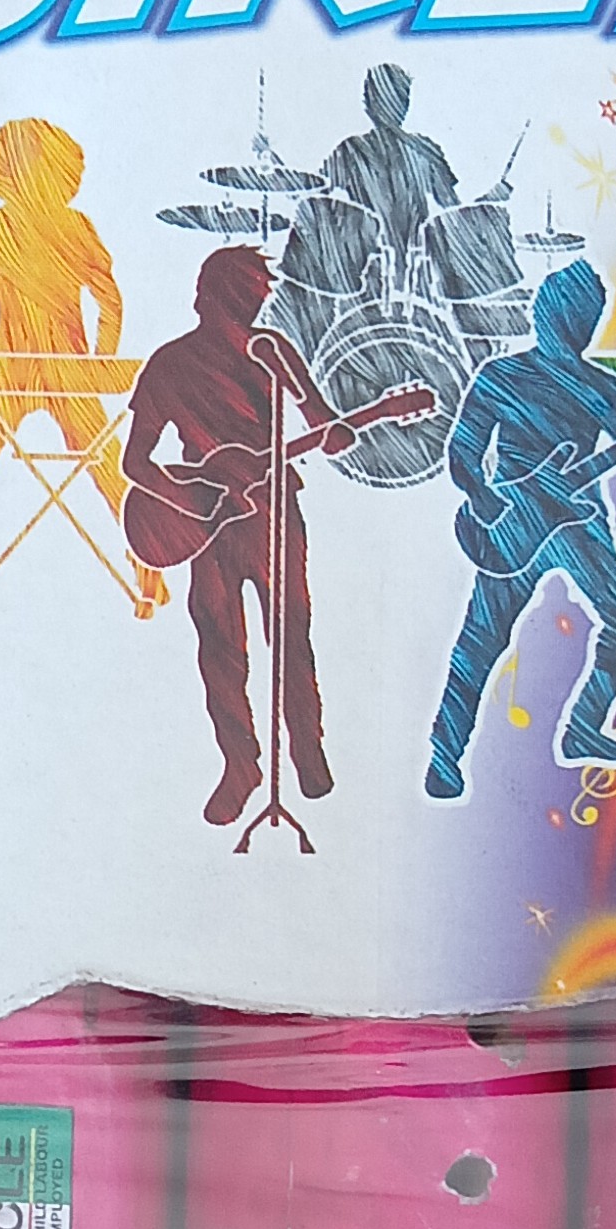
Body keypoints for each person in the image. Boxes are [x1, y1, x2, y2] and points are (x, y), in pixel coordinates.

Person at [122, 245, 352, 827]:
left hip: (275, 512)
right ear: (209, 297)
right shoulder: (170, 364)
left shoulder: (273, 352)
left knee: (291, 634)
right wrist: (194, 500)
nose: (250, 312)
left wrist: (334, 429)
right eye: (243, 299)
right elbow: (135, 462)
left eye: (256, 301)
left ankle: (307, 753)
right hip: (211, 525)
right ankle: (240, 767)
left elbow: (320, 421)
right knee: (221, 646)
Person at [426, 260, 616, 798]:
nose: (577, 328)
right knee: (481, 639)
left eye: (586, 319)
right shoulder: (502, 376)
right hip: (515, 521)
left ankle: (582, 729)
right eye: (570, 316)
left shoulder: (600, 385)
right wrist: (487, 503)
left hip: (578, 521)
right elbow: (462, 453)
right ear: (544, 315)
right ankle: (444, 756)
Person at [0, 119, 136, 604]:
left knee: (107, 468)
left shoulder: (73, 228)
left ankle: (146, 562)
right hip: (17, 374)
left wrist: (99, 364)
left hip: (62, 374)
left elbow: (109, 300)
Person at [323, 62, 458, 275]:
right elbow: (453, 210)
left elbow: (314, 195)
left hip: (377, 263)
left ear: (368, 103)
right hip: (396, 263)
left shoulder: (349, 150)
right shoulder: (350, 150)